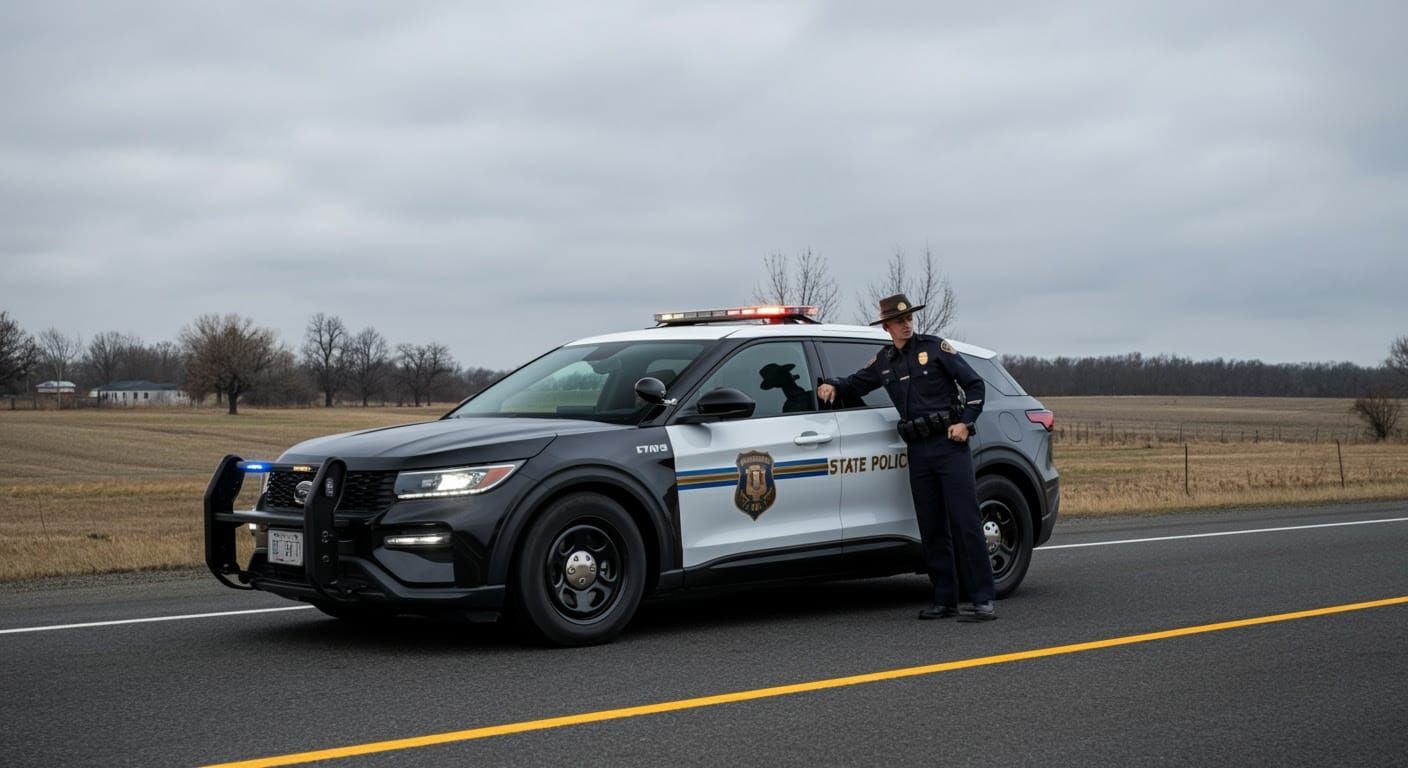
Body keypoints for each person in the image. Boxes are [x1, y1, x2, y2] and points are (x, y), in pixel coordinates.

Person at [817, 294, 997, 622]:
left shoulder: (934, 348)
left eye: (909, 319)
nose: (907, 324)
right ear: (887, 326)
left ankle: (983, 598)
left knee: (966, 522)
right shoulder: (885, 361)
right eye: (899, 321)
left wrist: (965, 423)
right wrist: (831, 385)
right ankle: (945, 599)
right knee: (931, 526)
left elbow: (975, 385)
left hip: (949, 446)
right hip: (919, 450)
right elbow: (856, 384)